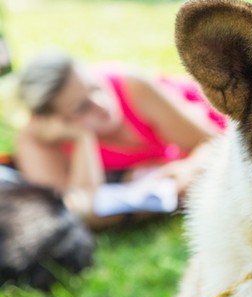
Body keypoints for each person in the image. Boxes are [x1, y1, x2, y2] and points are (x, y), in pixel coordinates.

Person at [14, 51, 226, 230]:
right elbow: (73, 212)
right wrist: (82, 139)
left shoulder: (131, 86)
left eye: (95, 87)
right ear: (53, 120)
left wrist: (189, 168)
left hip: (214, 122)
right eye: (82, 107)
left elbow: (215, 141)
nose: (101, 104)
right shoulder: (38, 140)